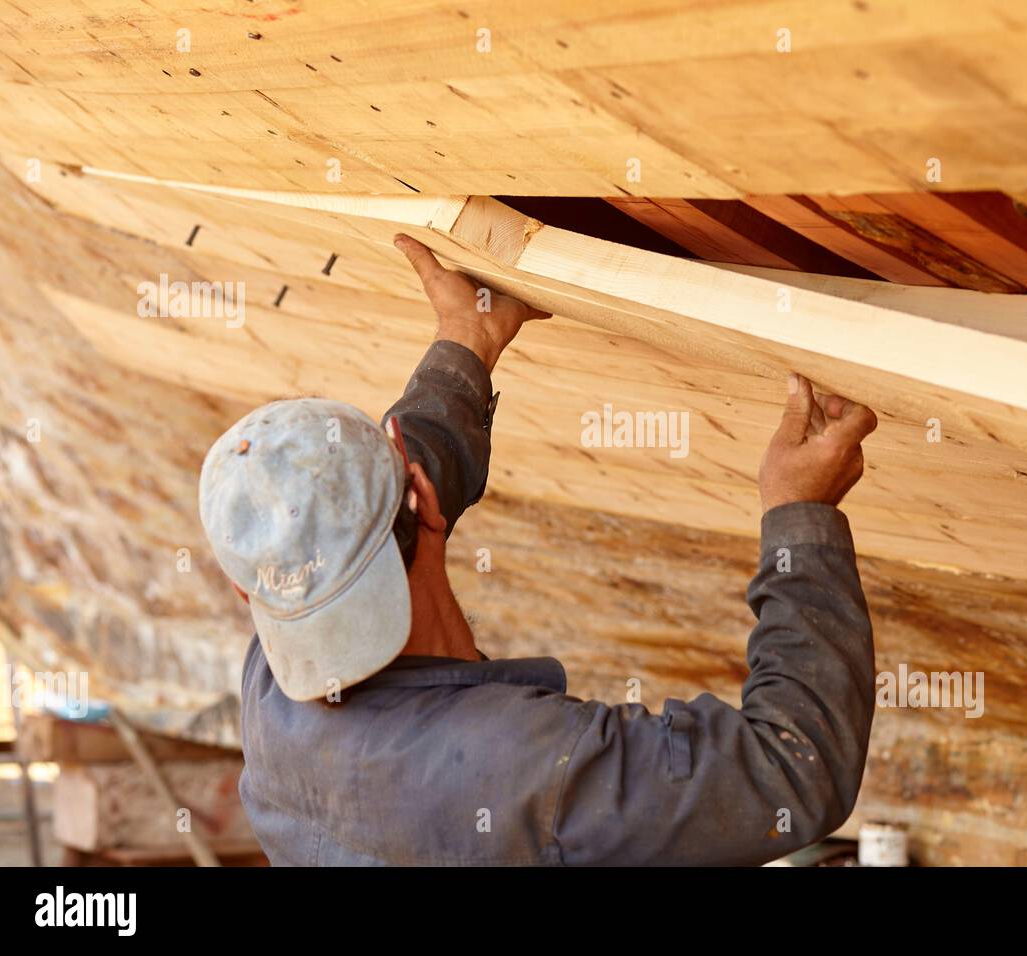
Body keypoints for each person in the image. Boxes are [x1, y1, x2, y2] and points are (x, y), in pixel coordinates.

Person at [197, 233, 879, 865]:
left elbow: (395, 495)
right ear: (425, 499)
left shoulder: (274, 686)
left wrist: (466, 341)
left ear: (248, 590)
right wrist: (802, 516)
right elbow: (793, 768)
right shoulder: (523, 768)